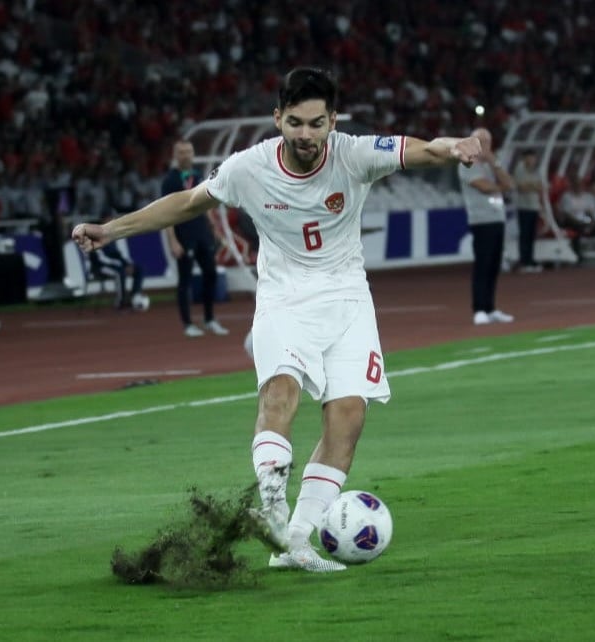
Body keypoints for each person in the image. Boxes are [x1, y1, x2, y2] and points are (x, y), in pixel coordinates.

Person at [72, 67, 483, 573]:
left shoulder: (354, 154)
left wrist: (455, 145)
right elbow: (187, 203)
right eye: (295, 123)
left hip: (349, 298)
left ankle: (296, 542)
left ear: (334, 121)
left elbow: (421, 149)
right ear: (277, 119)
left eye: (316, 123)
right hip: (284, 299)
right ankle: (270, 507)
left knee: (348, 417)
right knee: (280, 391)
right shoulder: (250, 167)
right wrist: (111, 230)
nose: (305, 135)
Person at [162, 140, 230, 337]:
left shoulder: (199, 175)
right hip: (184, 235)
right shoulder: (170, 180)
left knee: (211, 274)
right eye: (181, 152)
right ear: (175, 155)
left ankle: (209, 319)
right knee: (185, 279)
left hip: (202, 233)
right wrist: (173, 241)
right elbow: (165, 213)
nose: (186, 155)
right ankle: (188, 323)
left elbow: (205, 204)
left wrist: (214, 228)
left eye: (189, 152)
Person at [459, 128, 515, 326]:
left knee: (493, 265)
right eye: (481, 141)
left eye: (488, 141)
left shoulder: (492, 164)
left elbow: (510, 182)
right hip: (481, 220)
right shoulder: (467, 162)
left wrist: (494, 162)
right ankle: (479, 309)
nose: (485, 145)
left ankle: (490, 307)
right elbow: (484, 186)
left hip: (497, 218)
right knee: (482, 265)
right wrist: (501, 188)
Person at [88, 218, 149, 311]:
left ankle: (134, 296)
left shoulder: (115, 236)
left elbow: (122, 254)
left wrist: (128, 264)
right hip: (100, 267)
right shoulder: (96, 237)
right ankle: (121, 302)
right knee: (120, 272)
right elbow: (102, 258)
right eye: (109, 221)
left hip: (117, 265)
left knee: (139, 269)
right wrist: (122, 266)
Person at [511, 149, 544, 272]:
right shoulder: (520, 169)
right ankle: (524, 260)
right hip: (524, 206)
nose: (532, 160)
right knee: (524, 234)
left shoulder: (536, 170)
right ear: (525, 158)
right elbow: (521, 187)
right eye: (530, 157)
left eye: (534, 158)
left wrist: (532, 185)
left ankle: (530, 258)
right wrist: (533, 186)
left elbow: (541, 186)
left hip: (534, 206)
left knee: (531, 234)